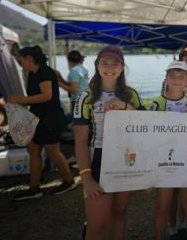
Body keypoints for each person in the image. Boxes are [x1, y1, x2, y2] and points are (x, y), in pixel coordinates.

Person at [72, 45, 144, 240]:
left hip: (124, 158)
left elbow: (146, 127)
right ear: (97, 65)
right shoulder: (85, 97)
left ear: (122, 67)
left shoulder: (131, 95)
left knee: (119, 215)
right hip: (99, 159)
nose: (110, 67)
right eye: (105, 63)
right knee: (96, 225)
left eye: (115, 63)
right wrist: (86, 177)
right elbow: (80, 140)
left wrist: (125, 106)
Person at [9, 46, 76, 201]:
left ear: (29, 59)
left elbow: (47, 95)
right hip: (38, 118)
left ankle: (68, 181)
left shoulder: (45, 72)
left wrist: (22, 100)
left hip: (51, 118)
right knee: (33, 149)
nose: (19, 63)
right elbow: (35, 97)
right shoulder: (32, 74)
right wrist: (18, 103)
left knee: (53, 151)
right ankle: (34, 188)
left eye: (21, 59)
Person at [151, 61, 187, 240]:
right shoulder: (157, 103)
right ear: (166, 78)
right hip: (165, 161)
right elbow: (151, 135)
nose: (177, 80)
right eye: (173, 76)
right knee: (163, 206)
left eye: (181, 76)